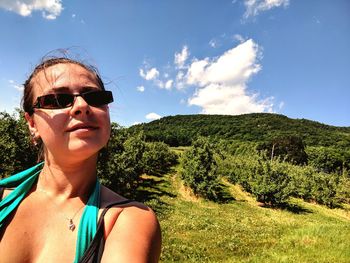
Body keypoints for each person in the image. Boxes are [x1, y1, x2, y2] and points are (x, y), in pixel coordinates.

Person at [0, 56, 161, 262]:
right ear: (32, 123)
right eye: (58, 99)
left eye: (95, 97)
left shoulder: (128, 218)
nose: (82, 105)